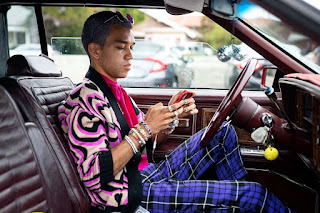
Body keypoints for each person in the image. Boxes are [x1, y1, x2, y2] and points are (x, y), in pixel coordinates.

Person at [58, 11, 293, 213]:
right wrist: (145, 128)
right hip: (128, 195)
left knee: (224, 134)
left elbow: (147, 143)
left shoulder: (118, 92)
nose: (131, 56)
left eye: (131, 47)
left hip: (146, 175)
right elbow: (95, 176)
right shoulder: (84, 101)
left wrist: (170, 117)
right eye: (121, 48)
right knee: (254, 195)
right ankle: (241, 199)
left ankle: (234, 200)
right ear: (95, 51)